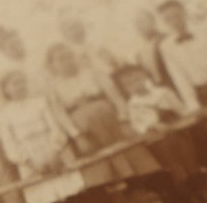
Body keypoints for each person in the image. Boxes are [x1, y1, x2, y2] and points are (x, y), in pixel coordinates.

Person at [44, 40, 156, 184]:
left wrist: (124, 120)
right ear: (53, 65)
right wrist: (77, 136)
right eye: (61, 59)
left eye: (69, 56)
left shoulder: (93, 73)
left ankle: (147, 185)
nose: (67, 61)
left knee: (132, 155)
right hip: (87, 132)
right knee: (103, 169)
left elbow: (115, 96)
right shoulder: (53, 88)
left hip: (111, 122)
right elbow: (60, 115)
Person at [0, 68, 85, 203]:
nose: (20, 87)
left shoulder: (40, 102)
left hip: (53, 149)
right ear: (6, 90)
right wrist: (30, 162)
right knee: (53, 199)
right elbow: (10, 145)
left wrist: (55, 152)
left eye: (22, 82)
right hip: (30, 159)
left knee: (74, 191)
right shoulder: (3, 115)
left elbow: (55, 128)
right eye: (15, 84)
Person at [114, 63, 204, 197]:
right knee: (176, 169)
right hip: (158, 139)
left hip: (177, 132)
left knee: (191, 163)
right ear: (125, 89)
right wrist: (151, 125)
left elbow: (181, 110)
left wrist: (185, 116)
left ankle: (205, 195)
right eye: (129, 84)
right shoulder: (133, 105)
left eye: (137, 79)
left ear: (146, 76)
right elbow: (137, 126)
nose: (135, 84)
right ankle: (194, 200)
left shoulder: (163, 93)